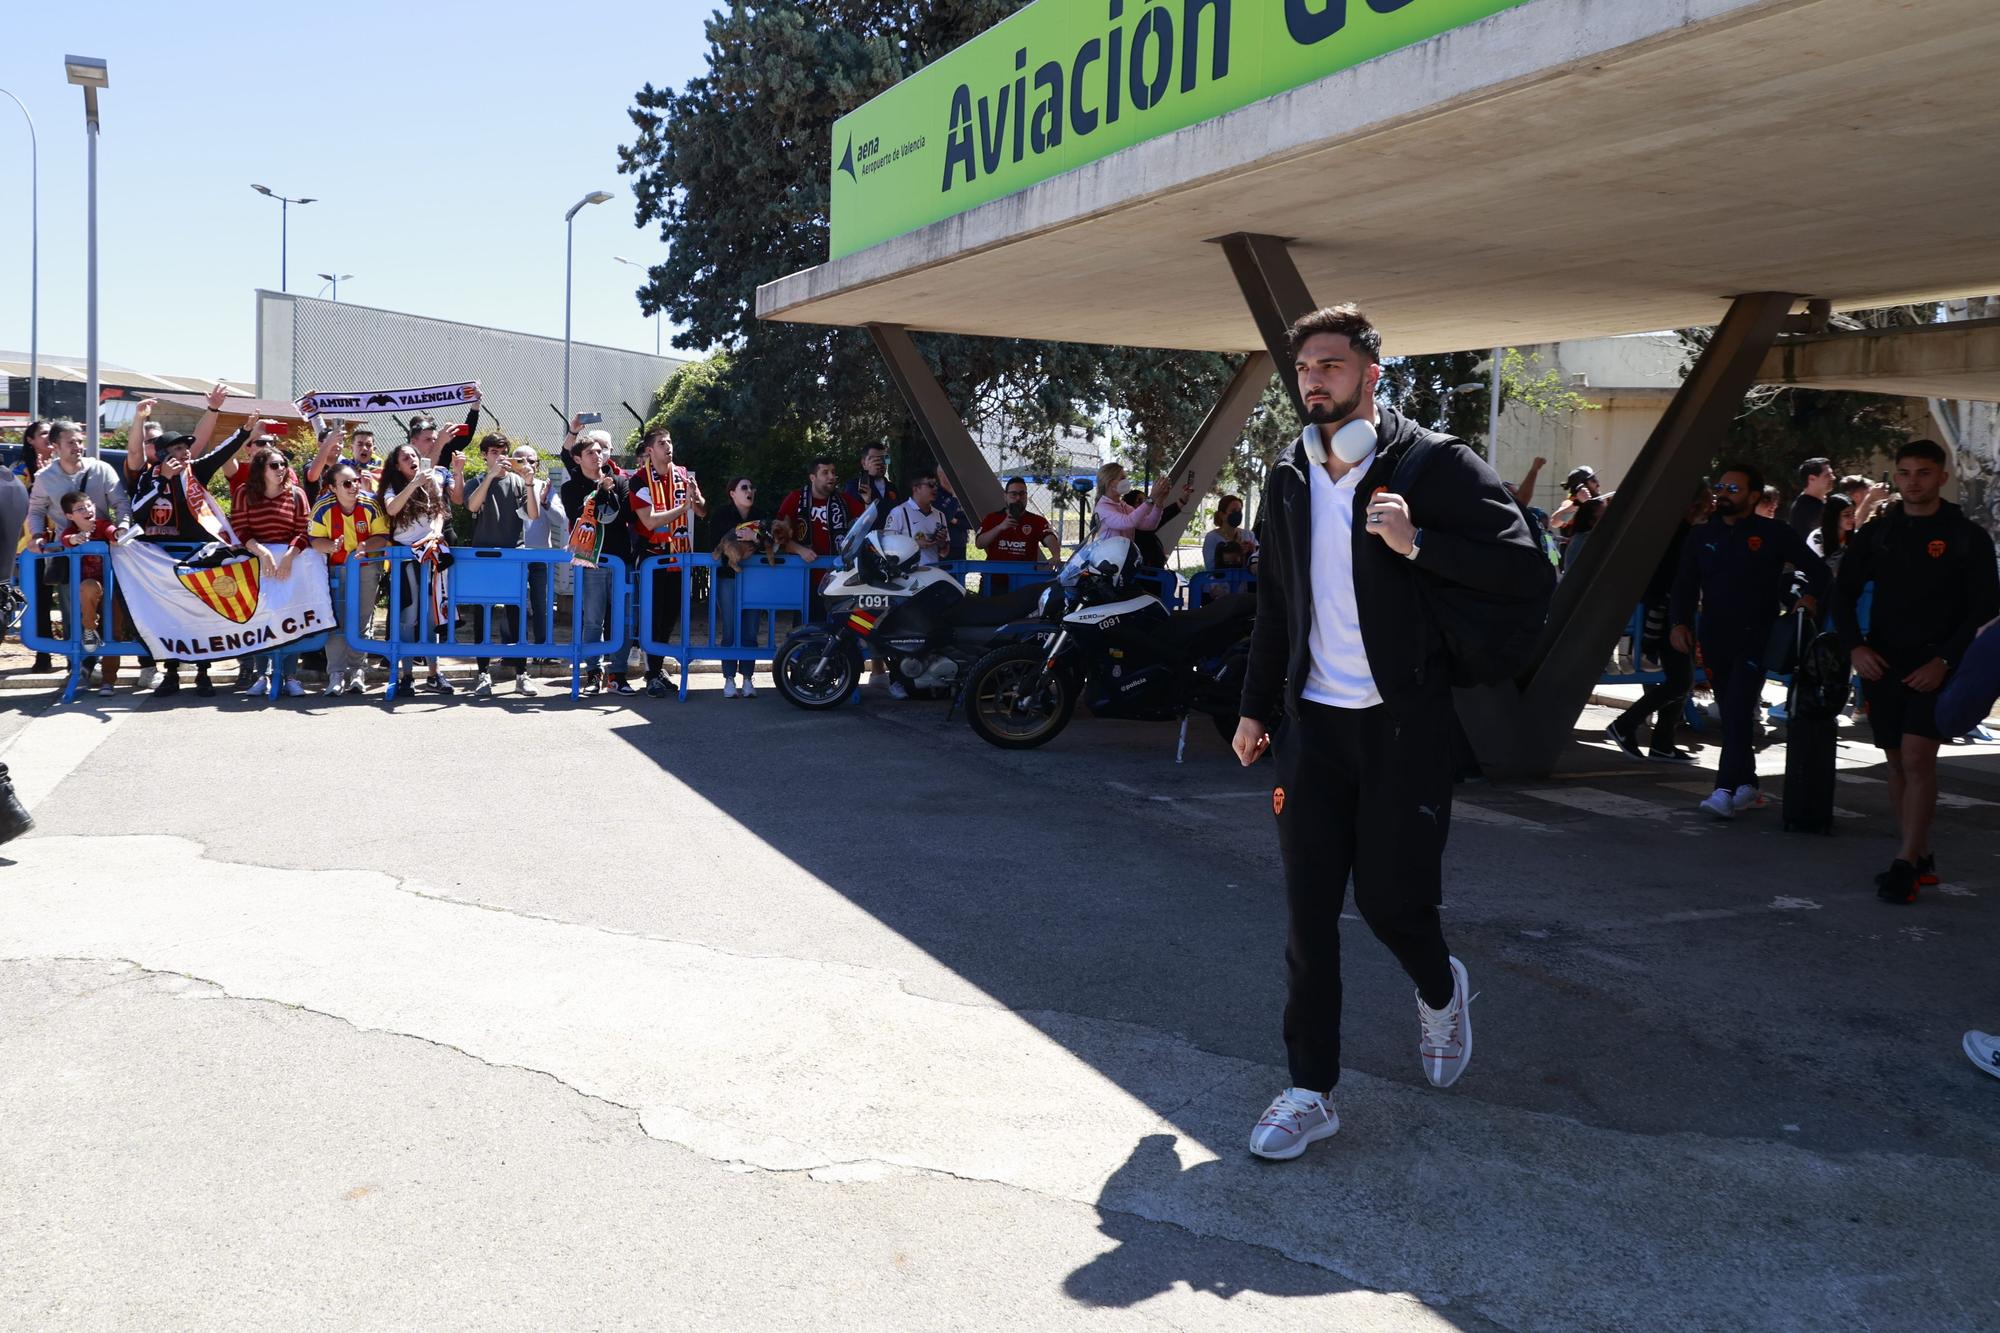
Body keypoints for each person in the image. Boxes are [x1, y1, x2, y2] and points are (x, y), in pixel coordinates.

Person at [1232, 304, 1548, 1161]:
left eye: (1330, 366)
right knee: (1308, 913)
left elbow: (1525, 568)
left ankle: (1442, 987)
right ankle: (1310, 1089)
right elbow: (1277, 605)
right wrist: (1257, 706)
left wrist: (1420, 545)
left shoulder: (1434, 465)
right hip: (1313, 728)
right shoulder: (1289, 477)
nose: (1313, 382)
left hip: (1404, 728)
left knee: (1389, 901)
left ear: (1371, 373)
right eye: (1304, 370)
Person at [1833, 440, 2000, 904]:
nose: (1913, 482)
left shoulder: (1967, 537)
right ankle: (1919, 852)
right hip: (1882, 662)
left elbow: (1984, 609)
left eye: (1923, 473)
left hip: (1938, 665)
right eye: (1905, 473)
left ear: (1941, 477)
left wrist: (1945, 660)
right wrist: (1855, 649)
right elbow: (1842, 594)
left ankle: (1904, 862)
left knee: (1916, 758)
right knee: (1895, 763)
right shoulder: (1879, 533)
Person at [1670, 463, 1830, 820]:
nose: (1723, 494)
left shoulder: (1774, 532)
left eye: (1733, 489)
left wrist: (1810, 597)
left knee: (1740, 707)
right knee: (1731, 711)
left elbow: (1818, 571)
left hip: (1757, 635)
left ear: (1753, 496)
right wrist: (1679, 623)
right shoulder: (1700, 535)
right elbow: (1684, 584)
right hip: (1712, 634)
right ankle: (1747, 784)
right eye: (1721, 487)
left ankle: (1724, 789)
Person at [1605, 484, 1712, 764]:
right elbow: (1676, 580)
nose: (1710, 509)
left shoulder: (1668, 533)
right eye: (1706, 503)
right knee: (1680, 680)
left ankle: (1662, 742)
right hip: (1671, 616)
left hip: (1668, 614)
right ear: (1694, 507)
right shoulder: (1683, 536)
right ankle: (1626, 725)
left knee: (1681, 679)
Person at [26, 420, 128, 675]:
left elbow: (121, 503)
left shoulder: (102, 469)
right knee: (72, 609)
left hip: (106, 553)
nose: (78, 446)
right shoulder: (44, 478)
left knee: (111, 609)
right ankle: (78, 665)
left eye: (80, 441)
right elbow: (36, 511)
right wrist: (37, 536)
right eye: (71, 442)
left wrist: (123, 527)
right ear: (56, 446)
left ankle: (107, 669)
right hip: (68, 554)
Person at [462, 433, 542, 698]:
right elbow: (472, 504)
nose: (500, 456)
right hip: (482, 557)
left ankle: (521, 673)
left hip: (513, 556)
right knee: (482, 615)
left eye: (503, 451)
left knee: (517, 615)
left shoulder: (519, 482)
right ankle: (483, 673)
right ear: (484, 455)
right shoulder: (476, 480)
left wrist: (530, 484)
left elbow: (533, 515)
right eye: (493, 452)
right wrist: (490, 477)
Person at [627, 427, 704, 698]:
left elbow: (702, 510)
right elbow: (649, 520)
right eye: (662, 443)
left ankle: (657, 669)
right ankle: (651, 674)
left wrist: (695, 497)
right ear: (650, 450)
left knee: (671, 615)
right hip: (653, 556)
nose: (668, 446)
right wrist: (683, 509)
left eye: (670, 441)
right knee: (653, 616)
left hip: (679, 556)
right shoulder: (638, 480)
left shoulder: (683, 474)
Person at [559, 427, 637, 696]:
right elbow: (578, 515)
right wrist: (598, 492)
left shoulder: (620, 480)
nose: (597, 456)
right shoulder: (570, 487)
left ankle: (619, 674)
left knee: (623, 620)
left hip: (620, 559)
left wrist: (608, 490)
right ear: (577, 458)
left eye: (600, 451)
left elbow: (622, 514)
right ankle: (593, 672)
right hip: (591, 560)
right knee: (593, 620)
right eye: (590, 452)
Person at [231, 444, 312, 698]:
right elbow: (241, 529)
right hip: (257, 563)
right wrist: (263, 553)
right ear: (261, 469)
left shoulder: (297, 494)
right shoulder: (244, 493)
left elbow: (303, 530)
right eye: (274, 465)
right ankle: (262, 674)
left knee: (291, 619)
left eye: (283, 465)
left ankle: (290, 676)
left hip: (291, 563)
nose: (281, 469)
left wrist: (289, 555)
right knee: (261, 619)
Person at [379, 443, 456, 695]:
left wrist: (435, 531)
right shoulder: (393, 487)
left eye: (414, 455)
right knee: (408, 616)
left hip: (432, 554)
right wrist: (413, 484)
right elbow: (392, 508)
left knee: (432, 615)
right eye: (405, 457)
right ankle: (406, 675)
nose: (412, 459)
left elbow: (440, 511)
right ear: (397, 465)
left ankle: (434, 673)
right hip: (406, 558)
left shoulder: (432, 480)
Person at [307, 462, 389, 697]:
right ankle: (335, 674)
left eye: (356, 480)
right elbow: (315, 540)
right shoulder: (322, 507)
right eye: (346, 483)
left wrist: (365, 546)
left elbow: (382, 536)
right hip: (334, 570)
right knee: (336, 622)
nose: (354, 486)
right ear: (333, 488)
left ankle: (358, 672)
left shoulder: (371, 503)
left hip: (365, 568)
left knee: (362, 619)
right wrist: (331, 546)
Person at [710, 475, 789, 699]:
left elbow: (774, 543)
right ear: (732, 493)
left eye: (752, 487)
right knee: (729, 628)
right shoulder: (721, 515)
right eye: (744, 487)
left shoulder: (761, 516)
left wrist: (755, 536)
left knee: (751, 629)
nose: (750, 491)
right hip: (728, 577)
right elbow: (714, 547)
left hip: (755, 580)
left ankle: (747, 677)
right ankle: (728, 678)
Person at [48, 492, 123, 694]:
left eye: (89, 506)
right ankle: (90, 630)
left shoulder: (102, 525)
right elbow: (67, 540)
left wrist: (118, 534)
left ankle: (109, 681)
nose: (87, 510)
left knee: (114, 632)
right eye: (80, 509)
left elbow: (111, 531)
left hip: (115, 586)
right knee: (89, 586)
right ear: (70, 516)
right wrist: (78, 538)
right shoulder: (70, 531)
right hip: (90, 588)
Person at [976, 477, 1060, 593]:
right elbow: (979, 543)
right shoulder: (992, 518)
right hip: (994, 581)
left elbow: (1050, 538)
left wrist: (1056, 555)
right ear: (1005, 496)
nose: (1018, 498)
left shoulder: (1037, 521)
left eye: (1022, 494)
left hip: (1025, 582)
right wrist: (1000, 527)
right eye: (1013, 494)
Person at [885, 472, 949, 568]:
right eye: (931, 485)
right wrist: (914, 544)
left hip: (934, 574)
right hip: (908, 575)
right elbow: (887, 545)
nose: (935, 488)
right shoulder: (899, 512)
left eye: (936, 485)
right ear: (916, 488)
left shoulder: (940, 515)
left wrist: (942, 543)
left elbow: (944, 553)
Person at [1093, 463, 1168, 544]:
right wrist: (1152, 498)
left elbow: (1150, 524)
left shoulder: (1123, 506)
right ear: (1110, 482)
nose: (1126, 481)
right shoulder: (1103, 508)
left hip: (1124, 555)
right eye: (1122, 478)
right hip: (1109, 556)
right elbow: (1128, 522)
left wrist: (1160, 500)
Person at [1202, 495, 1257, 573]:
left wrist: (1252, 550)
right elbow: (1211, 567)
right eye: (1233, 511)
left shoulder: (1249, 535)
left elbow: (1257, 559)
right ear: (1222, 515)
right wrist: (1235, 552)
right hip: (1221, 583)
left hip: (1244, 583)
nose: (1237, 514)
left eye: (1239, 511)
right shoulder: (1212, 537)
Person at [844, 443, 898, 515]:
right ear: (864, 463)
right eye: (874, 459)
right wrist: (869, 476)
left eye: (884, 458)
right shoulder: (854, 485)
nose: (880, 463)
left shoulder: (892, 487)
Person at [1807, 491, 1855, 566]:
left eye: (1853, 514)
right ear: (1833, 516)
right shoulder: (1817, 539)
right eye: (1847, 515)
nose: (1853, 519)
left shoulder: (1855, 536)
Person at [1788, 458, 1833, 537]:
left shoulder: (1817, 502)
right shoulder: (1806, 508)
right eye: (1827, 475)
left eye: (1831, 474)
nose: (1833, 478)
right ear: (1812, 479)